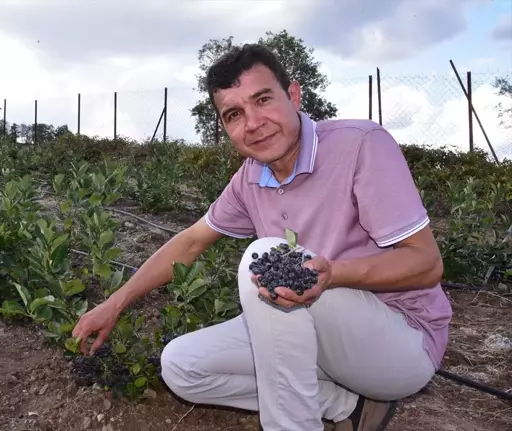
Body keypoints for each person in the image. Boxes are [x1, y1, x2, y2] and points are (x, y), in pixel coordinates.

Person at [72, 44, 452, 431]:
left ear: (294, 95)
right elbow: (190, 242)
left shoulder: (359, 144)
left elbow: (426, 264)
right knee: (182, 366)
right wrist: (114, 304)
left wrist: (332, 273)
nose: (252, 123)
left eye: (263, 99)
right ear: (224, 128)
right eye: (234, 114)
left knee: (267, 256)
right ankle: (348, 407)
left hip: (399, 344)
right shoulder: (249, 178)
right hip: (313, 328)